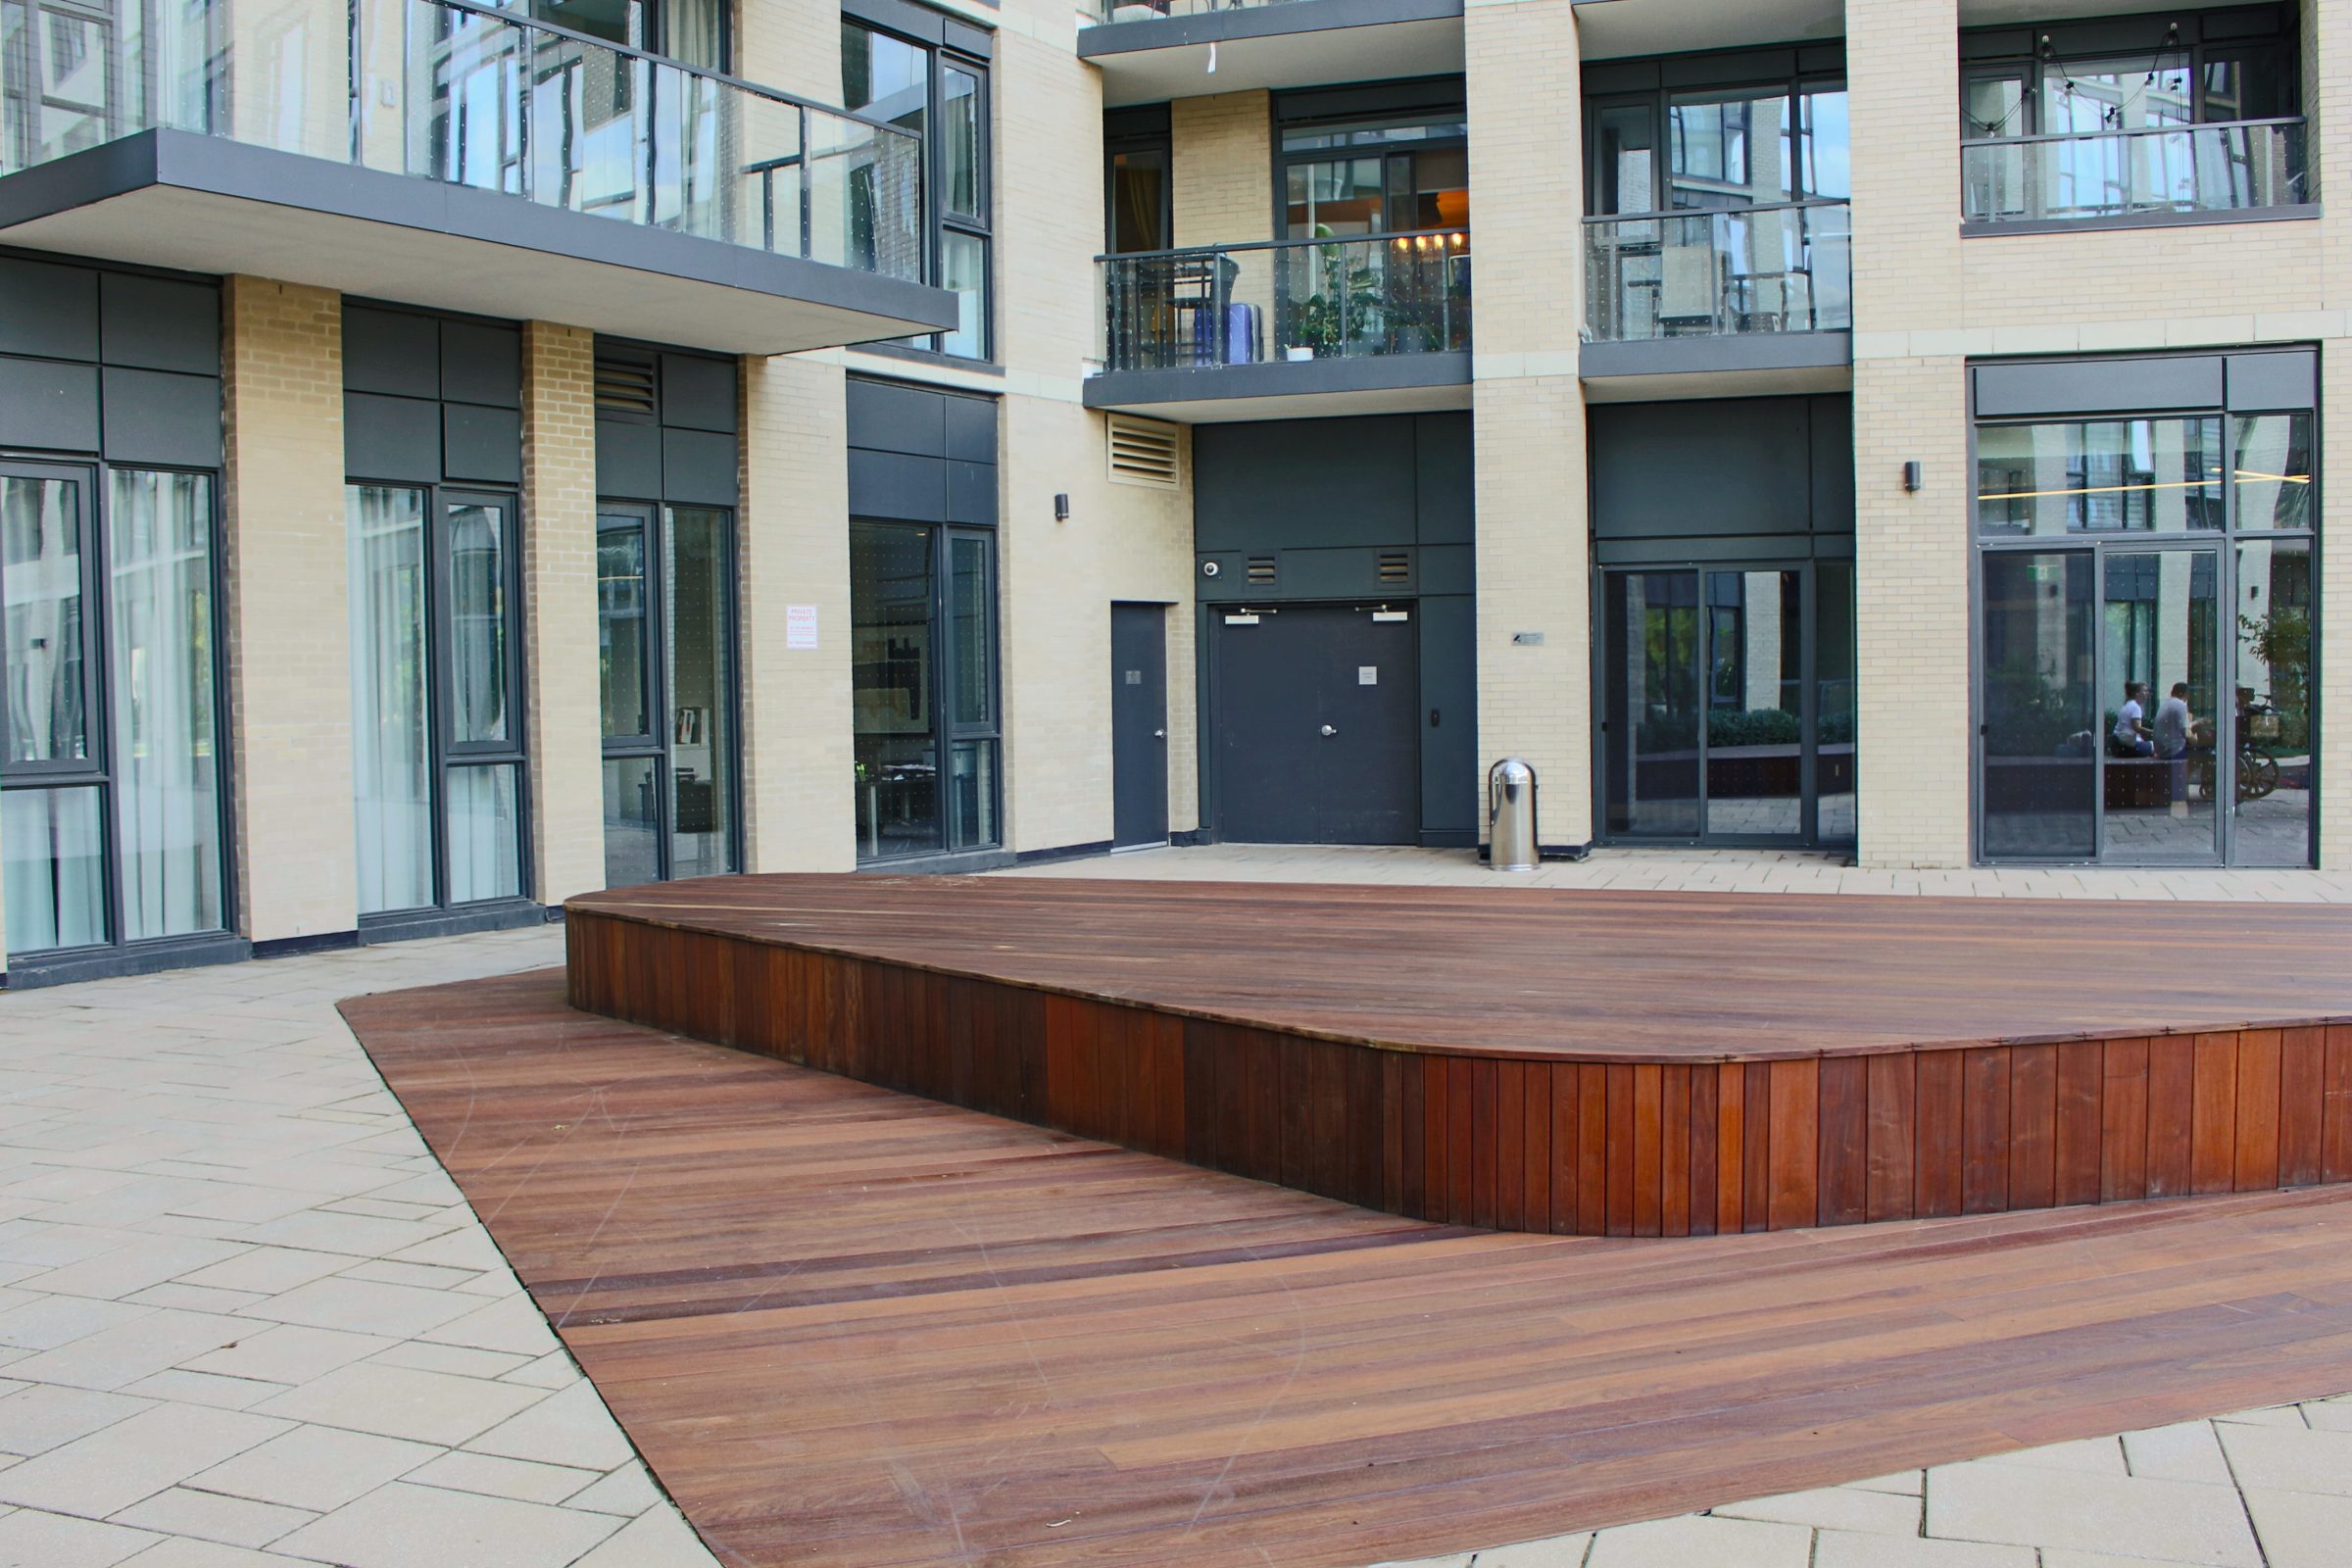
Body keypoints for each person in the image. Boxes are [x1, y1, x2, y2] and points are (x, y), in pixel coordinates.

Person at [2153, 681, 2194, 812]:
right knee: (2200, 753)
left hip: (2161, 748)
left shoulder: (2166, 704)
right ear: (2185, 694)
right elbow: (2185, 732)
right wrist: (2197, 740)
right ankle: (2180, 795)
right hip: (2173, 749)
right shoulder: (2181, 705)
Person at [2109, 682, 2154, 759]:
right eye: (2144, 691)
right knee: (2154, 746)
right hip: (2127, 746)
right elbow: (2137, 727)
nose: (2147, 693)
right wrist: (2153, 732)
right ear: (2137, 693)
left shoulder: (2126, 706)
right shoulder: (2135, 707)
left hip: (2117, 745)